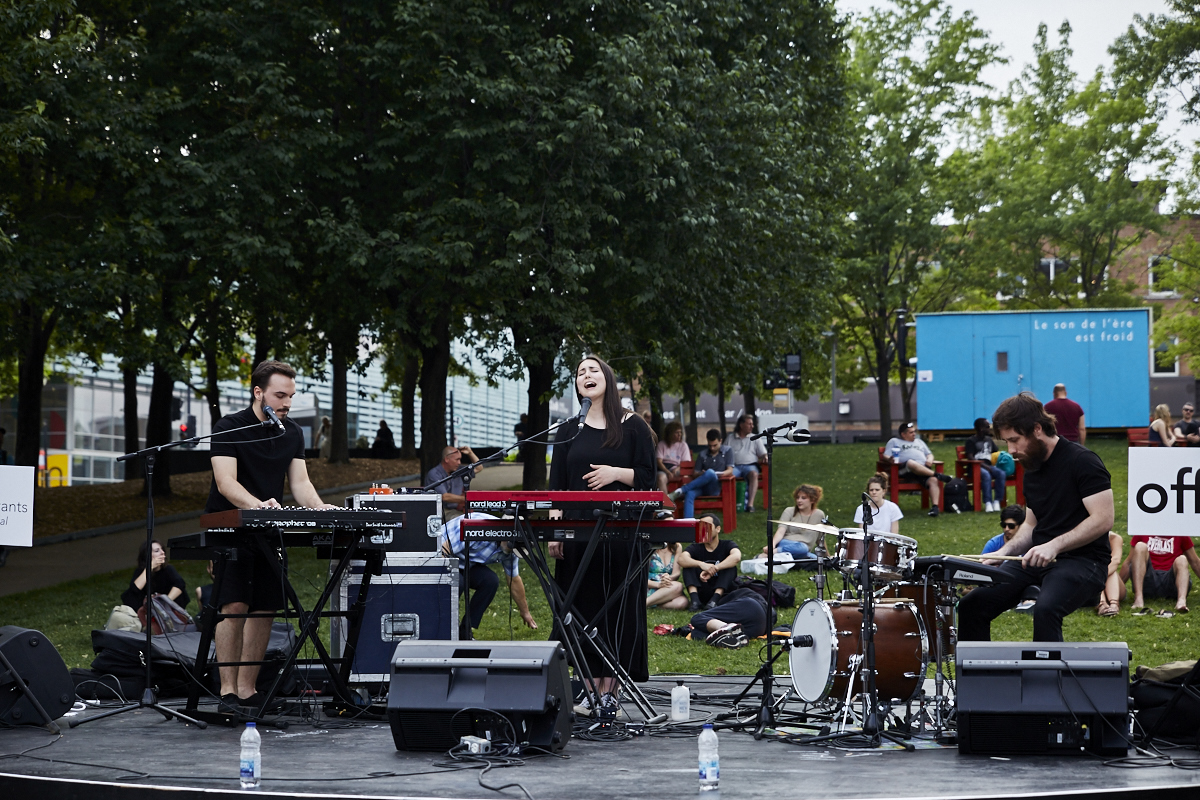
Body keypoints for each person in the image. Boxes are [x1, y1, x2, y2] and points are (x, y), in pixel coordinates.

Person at [206, 360, 337, 716]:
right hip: (230, 528)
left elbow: (300, 484)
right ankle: (227, 692)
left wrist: (320, 509)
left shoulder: (291, 433)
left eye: (291, 396)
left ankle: (248, 691)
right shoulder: (229, 427)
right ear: (258, 392)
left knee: (265, 608)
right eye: (280, 395)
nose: (287, 403)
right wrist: (258, 506)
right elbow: (226, 482)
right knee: (234, 606)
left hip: (268, 529)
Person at [547, 354, 656, 717]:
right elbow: (557, 485)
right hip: (578, 534)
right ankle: (589, 691)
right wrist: (555, 529)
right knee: (581, 607)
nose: (586, 375)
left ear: (607, 379)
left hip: (620, 532)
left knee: (616, 610)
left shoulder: (632, 425)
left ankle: (611, 693)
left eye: (593, 370)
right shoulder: (569, 430)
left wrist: (615, 473)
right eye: (581, 372)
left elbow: (648, 477)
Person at [958, 392, 1114, 643]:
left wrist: (1054, 545)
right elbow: (1031, 524)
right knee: (972, 604)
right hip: (1037, 560)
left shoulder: (1083, 461)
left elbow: (1103, 519)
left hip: (1085, 560)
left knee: (1045, 609)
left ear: (1037, 429)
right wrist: (1004, 552)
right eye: (1006, 442)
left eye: (1014, 440)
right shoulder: (1031, 467)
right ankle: (978, 669)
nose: (1011, 450)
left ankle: (1047, 670)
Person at [437, 513, 537, 637]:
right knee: (457, 582)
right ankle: (444, 626)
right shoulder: (477, 529)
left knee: (490, 581)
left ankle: (465, 631)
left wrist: (525, 612)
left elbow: (514, 579)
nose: (511, 550)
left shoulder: (511, 550)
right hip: (439, 554)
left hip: (464, 562)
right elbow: (443, 550)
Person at [677, 513, 742, 611]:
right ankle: (695, 602)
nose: (704, 529)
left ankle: (714, 601)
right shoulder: (696, 547)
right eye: (701, 527)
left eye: (707, 526)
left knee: (730, 567)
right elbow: (681, 559)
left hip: (723, 594)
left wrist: (715, 568)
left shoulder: (727, 544)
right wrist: (701, 564)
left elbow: (736, 557)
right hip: (703, 589)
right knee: (688, 565)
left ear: (718, 529)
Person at [883, 422, 949, 517]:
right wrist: (890, 459)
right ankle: (938, 475)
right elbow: (885, 455)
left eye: (914, 432)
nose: (914, 434)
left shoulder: (919, 442)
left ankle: (935, 508)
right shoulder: (894, 441)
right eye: (911, 432)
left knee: (933, 480)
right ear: (903, 434)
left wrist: (930, 459)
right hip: (905, 470)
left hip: (923, 470)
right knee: (911, 462)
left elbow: (929, 454)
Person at [1127, 534, 1200, 616]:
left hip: (1172, 582)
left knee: (1182, 559)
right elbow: (1129, 562)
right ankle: (1138, 598)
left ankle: (1181, 601)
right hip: (1147, 580)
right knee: (1140, 546)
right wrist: (1118, 589)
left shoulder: (1180, 533)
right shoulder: (1143, 531)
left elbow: (1196, 563)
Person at [668, 429, 734, 518]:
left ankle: (681, 490)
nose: (712, 448)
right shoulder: (702, 454)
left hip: (715, 486)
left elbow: (730, 470)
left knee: (711, 472)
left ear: (720, 441)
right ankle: (688, 523)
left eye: (715, 445)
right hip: (702, 486)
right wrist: (702, 474)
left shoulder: (727, 451)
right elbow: (695, 473)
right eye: (710, 445)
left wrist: (720, 474)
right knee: (690, 493)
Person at [689, 587, 769, 649]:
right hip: (760, 627)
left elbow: (702, 618)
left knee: (697, 618)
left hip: (751, 606)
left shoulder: (732, 596)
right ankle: (730, 632)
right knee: (696, 633)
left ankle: (728, 628)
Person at [764, 484, 829, 559]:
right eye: (797, 497)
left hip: (804, 551)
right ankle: (775, 552)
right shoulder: (789, 511)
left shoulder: (819, 515)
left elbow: (820, 540)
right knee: (802, 547)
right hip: (787, 544)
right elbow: (780, 531)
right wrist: (772, 545)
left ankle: (775, 556)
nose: (799, 500)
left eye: (803, 498)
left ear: (812, 500)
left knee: (816, 559)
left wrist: (828, 557)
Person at [121, 540, 188, 611]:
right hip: (146, 607)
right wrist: (150, 567)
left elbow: (180, 584)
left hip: (168, 607)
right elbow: (135, 589)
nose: (162, 552)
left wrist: (164, 603)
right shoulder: (140, 571)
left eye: (162, 549)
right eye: (157, 551)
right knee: (130, 594)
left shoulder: (168, 569)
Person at [425, 445, 481, 520]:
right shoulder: (434, 474)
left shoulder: (459, 470)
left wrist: (470, 453)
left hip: (455, 510)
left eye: (460, 459)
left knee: (477, 519)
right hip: (440, 512)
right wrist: (468, 498)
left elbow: (479, 468)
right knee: (462, 521)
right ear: (447, 459)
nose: (459, 462)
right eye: (457, 459)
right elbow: (445, 497)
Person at [725, 414, 767, 513]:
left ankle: (750, 505)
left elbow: (763, 453)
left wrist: (765, 457)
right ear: (741, 425)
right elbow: (723, 452)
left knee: (754, 474)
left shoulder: (756, 438)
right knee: (727, 476)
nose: (752, 426)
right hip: (734, 466)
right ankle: (730, 504)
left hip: (750, 466)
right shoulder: (730, 438)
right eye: (749, 424)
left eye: (752, 424)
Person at [964, 418, 1006, 512]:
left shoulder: (988, 440)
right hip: (975, 467)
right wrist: (984, 466)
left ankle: (997, 501)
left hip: (989, 466)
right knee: (986, 475)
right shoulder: (971, 440)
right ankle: (988, 502)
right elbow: (970, 457)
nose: (989, 428)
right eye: (987, 427)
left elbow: (996, 452)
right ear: (981, 428)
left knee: (1001, 473)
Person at [646, 541, 688, 609]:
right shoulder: (648, 546)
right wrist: (658, 585)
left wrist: (668, 578)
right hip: (650, 585)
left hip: (667, 585)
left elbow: (676, 573)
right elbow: (640, 578)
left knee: (682, 602)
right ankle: (644, 603)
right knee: (678, 586)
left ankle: (653, 603)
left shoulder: (676, 546)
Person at [655, 421, 691, 494]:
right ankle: (666, 500)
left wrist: (677, 468)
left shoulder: (683, 445)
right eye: (677, 432)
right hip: (664, 468)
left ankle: (683, 496)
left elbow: (686, 462)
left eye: (680, 432)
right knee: (660, 478)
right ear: (670, 433)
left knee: (685, 475)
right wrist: (667, 472)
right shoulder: (662, 444)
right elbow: (659, 461)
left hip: (677, 467)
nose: (679, 435)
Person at [1095, 532, 1125, 617]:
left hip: (1108, 578)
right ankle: (1101, 604)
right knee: (1092, 574)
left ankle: (1114, 603)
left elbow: (1115, 561)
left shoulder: (1115, 538)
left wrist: (1098, 575)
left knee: (1111, 571)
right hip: (1090, 580)